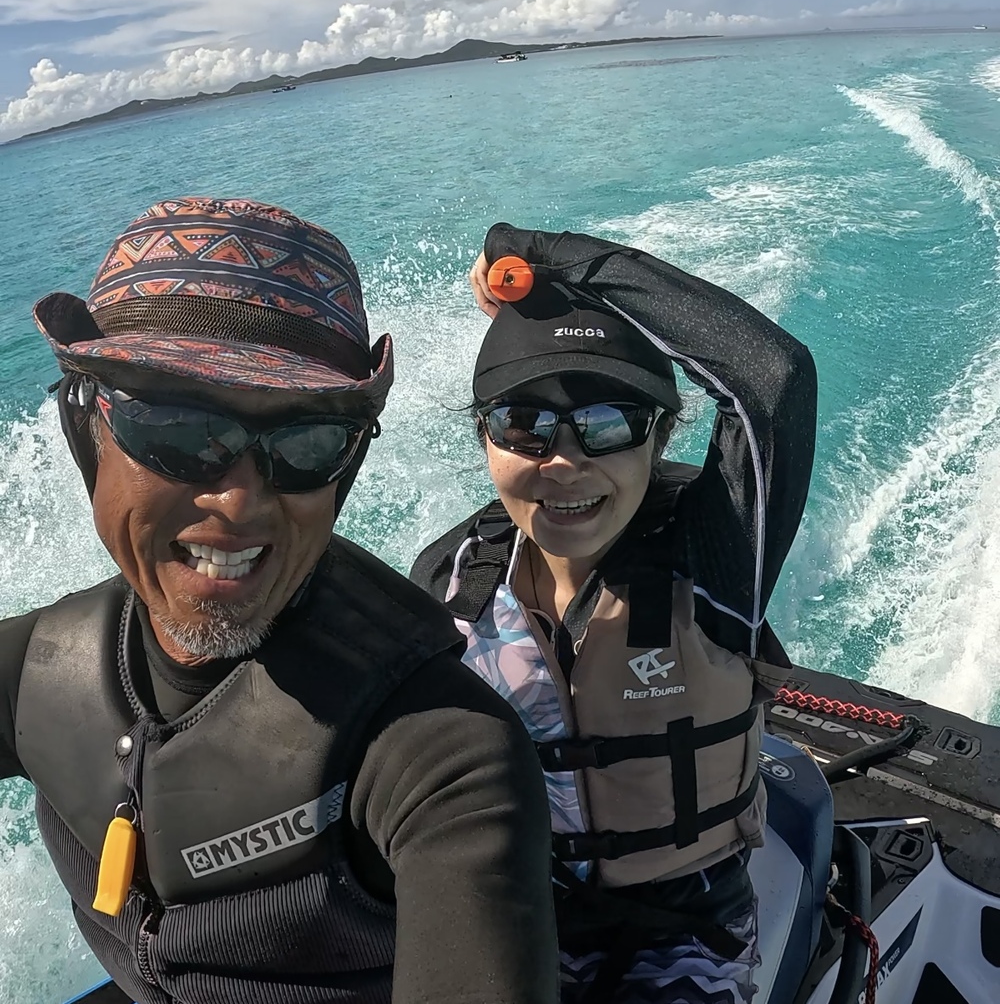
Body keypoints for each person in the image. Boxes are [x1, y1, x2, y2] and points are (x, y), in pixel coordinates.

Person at [0, 197, 558, 1004]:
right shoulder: (36, 672)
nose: (239, 499)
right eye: (179, 429)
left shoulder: (439, 755)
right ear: (86, 429)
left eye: (307, 442)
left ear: (345, 470)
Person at [411, 223, 817, 1003]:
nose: (566, 461)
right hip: (523, 922)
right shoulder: (453, 581)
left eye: (610, 424)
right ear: (484, 437)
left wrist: (553, 254)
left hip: (688, 935)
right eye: (524, 425)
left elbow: (774, 377)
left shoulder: (714, 560)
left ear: (660, 435)